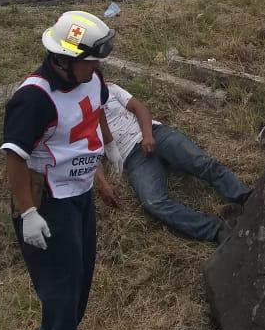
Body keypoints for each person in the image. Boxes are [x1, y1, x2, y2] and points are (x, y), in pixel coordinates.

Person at [1, 10, 122, 330]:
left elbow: (96, 110)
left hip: (79, 194)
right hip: (49, 202)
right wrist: (28, 213)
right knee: (60, 281)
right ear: (63, 59)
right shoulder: (34, 99)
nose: (96, 69)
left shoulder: (91, 78)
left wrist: (109, 146)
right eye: (91, 62)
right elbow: (15, 157)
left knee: (81, 272)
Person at [101, 80, 251, 243]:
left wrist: (148, 136)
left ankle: (245, 196)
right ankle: (216, 230)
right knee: (153, 202)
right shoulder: (77, 118)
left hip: (155, 134)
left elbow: (140, 108)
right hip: (133, 157)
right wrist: (103, 183)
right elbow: (85, 156)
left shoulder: (110, 90)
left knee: (200, 162)